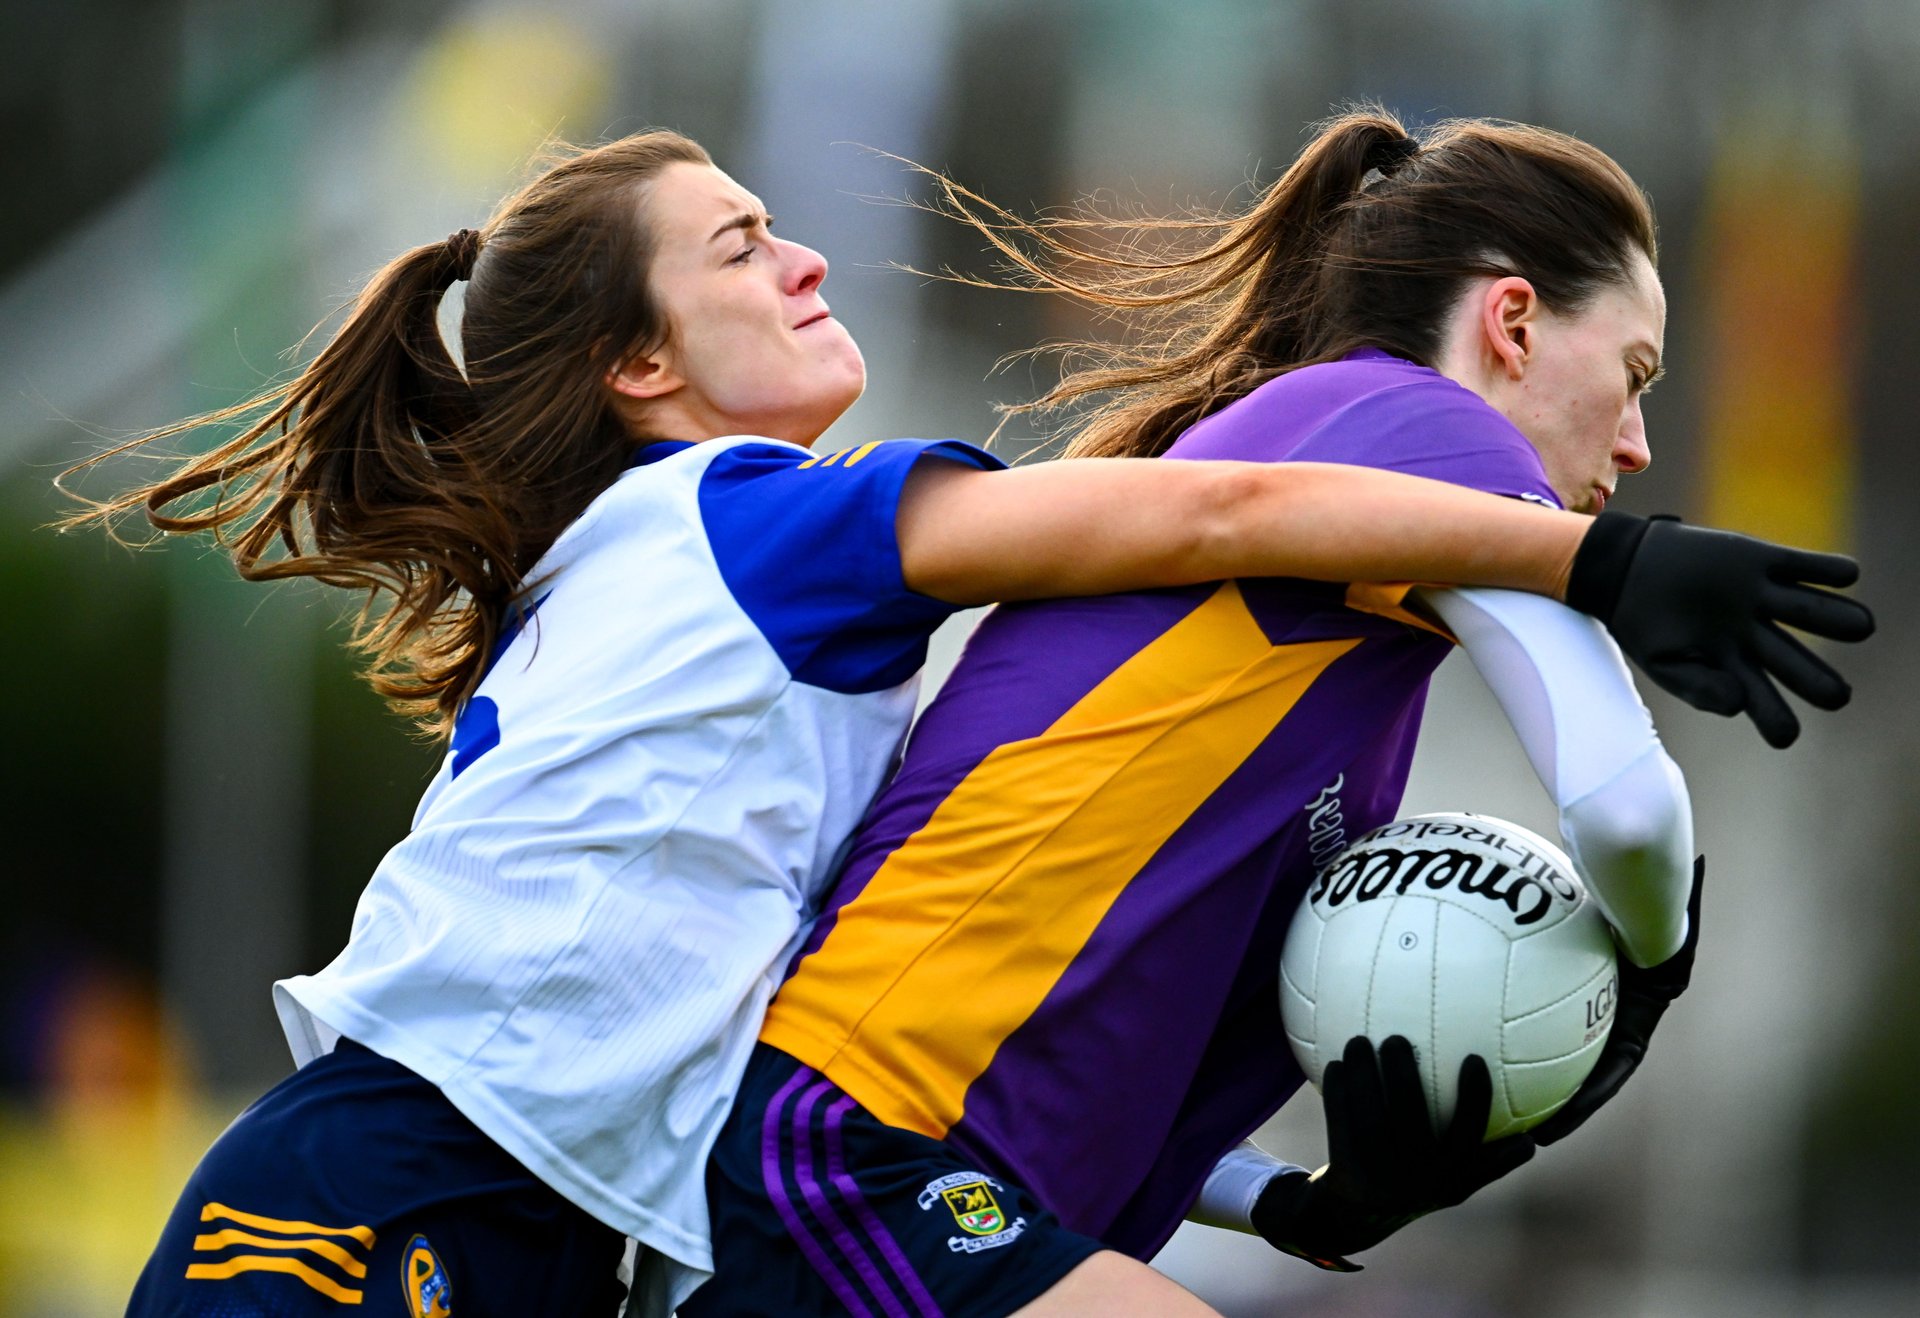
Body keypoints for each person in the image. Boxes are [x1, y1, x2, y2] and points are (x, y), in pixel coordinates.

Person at [64, 127, 1866, 1316]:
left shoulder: (710, 591)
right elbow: (1209, 516)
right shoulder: (772, 520)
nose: (805, 258)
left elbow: (891, 967)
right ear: (640, 368)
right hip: (400, 1179)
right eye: (742, 246)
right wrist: (1595, 564)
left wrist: (1269, 1201)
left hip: (575, 1222)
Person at [684, 110, 1867, 1318]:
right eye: (1635, 376)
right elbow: (1624, 804)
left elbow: (1114, 1034)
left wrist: (1285, 1201)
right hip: (859, 1149)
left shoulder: (1361, 638)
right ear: (1512, 323)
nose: (1639, 443)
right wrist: (1652, 981)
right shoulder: (1417, 425)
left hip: (939, 1183)